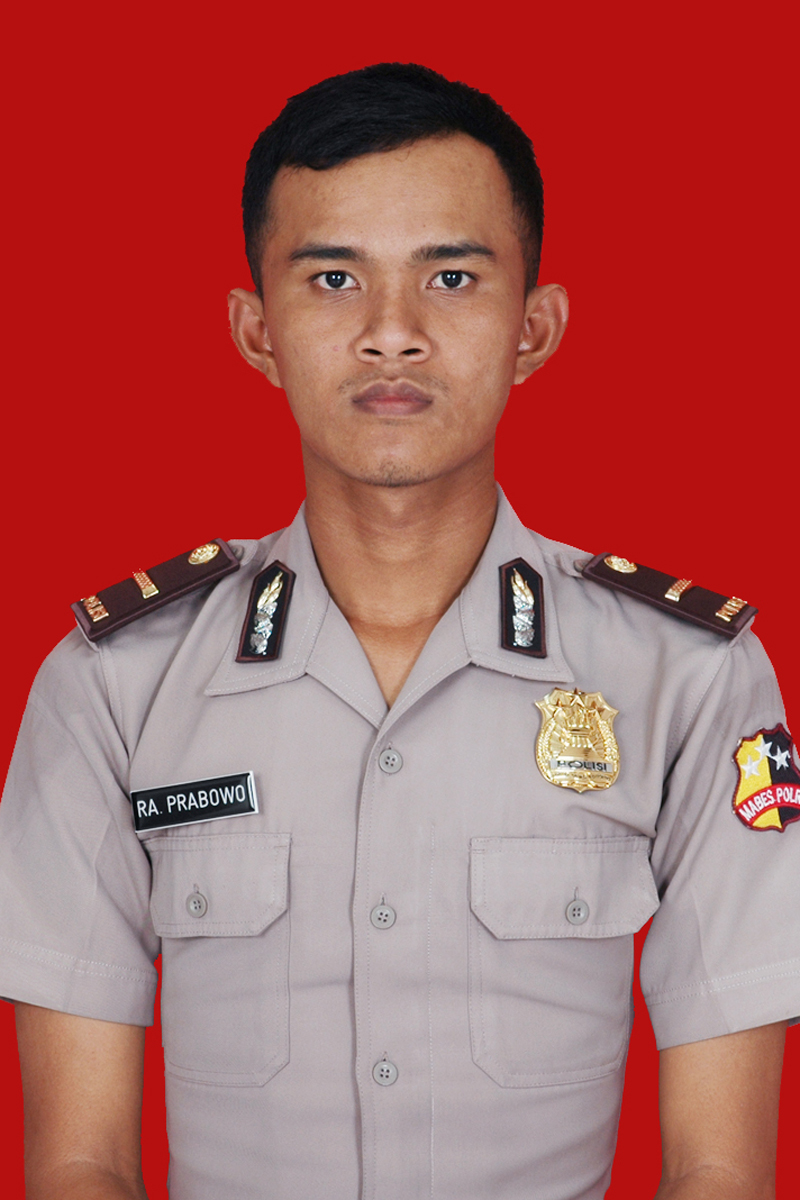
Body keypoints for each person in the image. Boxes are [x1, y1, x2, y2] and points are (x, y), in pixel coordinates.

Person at [1, 61, 797, 1200]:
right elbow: (80, 1163)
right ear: (256, 330)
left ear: (533, 326)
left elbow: (719, 1171)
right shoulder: (115, 683)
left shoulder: (688, 678)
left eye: (451, 278)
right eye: (333, 278)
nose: (391, 334)